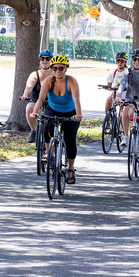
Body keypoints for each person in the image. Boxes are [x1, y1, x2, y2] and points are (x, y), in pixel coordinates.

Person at [31, 54, 83, 184]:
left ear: (66, 68)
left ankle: (70, 169)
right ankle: (49, 152)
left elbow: (76, 100)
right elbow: (41, 98)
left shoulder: (71, 81)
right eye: (54, 68)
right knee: (46, 124)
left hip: (70, 112)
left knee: (70, 140)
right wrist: (34, 112)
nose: (57, 71)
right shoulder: (48, 81)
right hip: (53, 109)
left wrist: (78, 115)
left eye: (61, 68)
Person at [21, 49, 54, 143]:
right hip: (36, 100)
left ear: (51, 60)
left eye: (47, 59)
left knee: (54, 118)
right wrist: (25, 94)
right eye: (42, 58)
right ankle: (34, 131)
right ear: (39, 60)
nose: (45, 61)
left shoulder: (55, 73)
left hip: (51, 101)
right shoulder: (35, 74)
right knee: (29, 108)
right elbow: (29, 87)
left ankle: (56, 137)